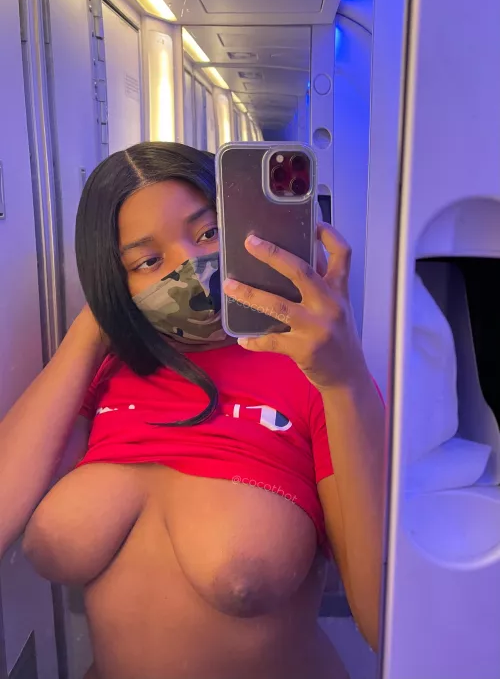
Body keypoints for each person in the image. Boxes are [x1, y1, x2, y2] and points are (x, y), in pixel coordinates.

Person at [0, 143, 385, 679]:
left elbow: (383, 623)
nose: (189, 267)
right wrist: (95, 325)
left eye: (208, 233)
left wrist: (344, 377)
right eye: (147, 261)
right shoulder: (104, 375)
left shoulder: (316, 375)